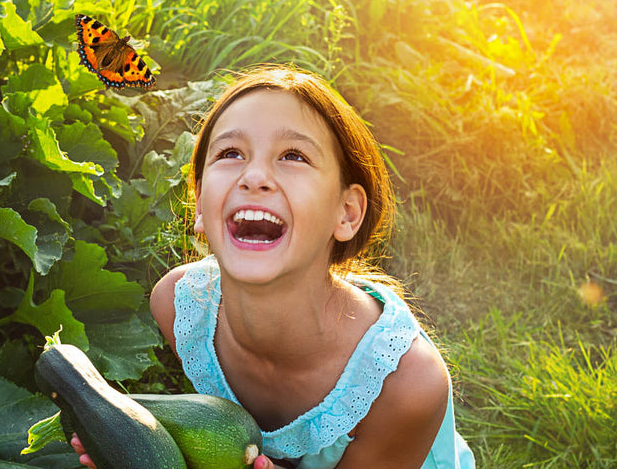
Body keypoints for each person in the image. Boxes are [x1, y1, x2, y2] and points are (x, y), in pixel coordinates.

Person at [70, 64, 475, 468]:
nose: (255, 176)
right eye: (230, 154)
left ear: (346, 212)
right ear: (198, 205)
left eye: (293, 156)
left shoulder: (406, 384)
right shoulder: (179, 308)